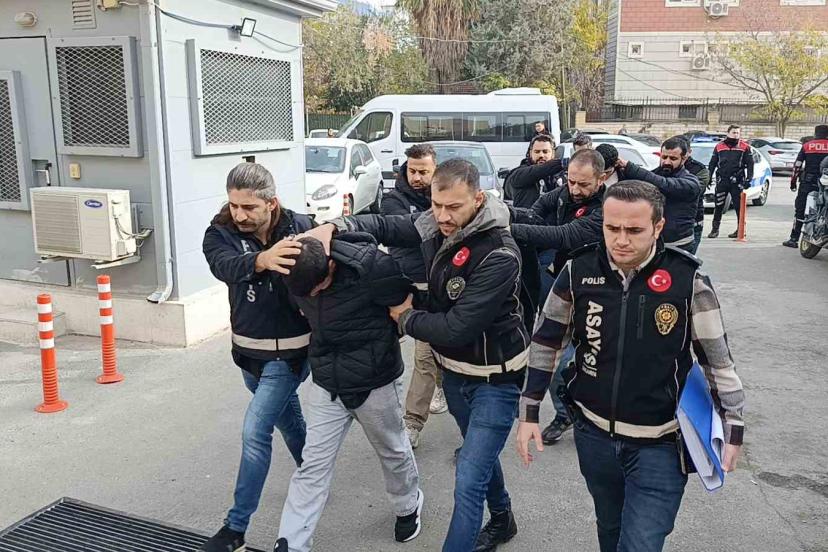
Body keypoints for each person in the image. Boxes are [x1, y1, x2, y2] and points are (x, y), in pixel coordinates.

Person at [305, 159, 529, 552]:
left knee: (468, 478)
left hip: (496, 380)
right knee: (478, 457)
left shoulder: (499, 254)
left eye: (453, 207)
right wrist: (334, 226)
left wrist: (406, 316)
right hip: (455, 374)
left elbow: (456, 327)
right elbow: (386, 225)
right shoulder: (436, 222)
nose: (442, 216)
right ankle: (502, 517)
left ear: (478, 199)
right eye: (437, 205)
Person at [517, 180, 746, 552]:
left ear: (658, 226)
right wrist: (529, 410)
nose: (621, 240)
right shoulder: (578, 271)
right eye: (612, 228)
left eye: (634, 230)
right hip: (593, 436)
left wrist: (733, 423)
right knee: (609, 527)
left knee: (640, 542)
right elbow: (546, 343)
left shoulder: (687, 280)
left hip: (661, 443)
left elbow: (717, 360)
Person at [275, 235, 422, 552]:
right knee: (312, 465)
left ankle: (408, 505)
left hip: (375, 382)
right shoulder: (292, 271)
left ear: (330, 265)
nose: (312, 295)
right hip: (327, 382)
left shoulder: (372, 268)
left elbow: (407, 305)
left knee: (393, 451)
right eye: (305, 293)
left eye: (318, 288)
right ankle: (291, 543)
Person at [200, 163, 313, 552]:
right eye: (234, 205)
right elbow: (224, 267)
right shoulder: (220, 232)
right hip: (248, 355)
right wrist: (262, 261)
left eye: (249, 207)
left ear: (271, 203)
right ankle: (313, 476)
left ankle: (235, 528)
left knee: (255, 431)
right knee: (290, 422)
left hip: (290, 357)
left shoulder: (300, 226)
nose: (240, 215)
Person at [511, 149, 607, 445]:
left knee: (591, 361)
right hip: (562, 286)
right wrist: (506, 214)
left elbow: (566, 235)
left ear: (601, 179)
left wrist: (507, 228)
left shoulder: (607, 207)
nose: (575, 189)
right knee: (554, 358)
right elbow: (535, 213)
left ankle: (596, 415)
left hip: (597, 291)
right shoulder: (563, 193)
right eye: (571, 181)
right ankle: (566, 414)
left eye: (583, 184)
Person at [382, 143, 446, 449]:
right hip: (404, 287)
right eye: (412, 171)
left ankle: (413, 420)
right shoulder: (393, 200)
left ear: (436, 170)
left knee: (427, 355)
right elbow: (408, 231)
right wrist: (448, 212)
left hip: (438, 288)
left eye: (424, 171)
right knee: (415, 353)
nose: (417, 177)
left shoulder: (443, 196)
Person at [616, 136, 701, 252]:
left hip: (680, 244)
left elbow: (664, 184)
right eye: (664, 157)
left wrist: (630, 167)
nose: (667, 162)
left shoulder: (691, 182)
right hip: (655, 242)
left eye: (673, 158)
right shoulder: (654, 175)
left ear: (684, 158)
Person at [783, 124, 828, 248]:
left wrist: (793, 182)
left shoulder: (807, 146)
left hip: (808, 183)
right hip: (825, 184)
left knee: (800, 210)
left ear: (815, 133)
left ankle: (794, 238)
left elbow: (797, 165)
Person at [707, 125, 754, 239]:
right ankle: (715, 230)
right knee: (719, 205)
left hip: (737, 181)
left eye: (738, 133)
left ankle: (741, 230)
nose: (736, 135)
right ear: (728, 133)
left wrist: (749, 179)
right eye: (733, 132)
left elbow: (750, 164)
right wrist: (708, 178)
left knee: (739, 207)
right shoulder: (719, 146)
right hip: (722, 180)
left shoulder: (745, 147)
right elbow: (712, 163)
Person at [505, 134, 564, 209]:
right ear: (530, 153)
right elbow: (538, 171)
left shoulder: (559, 176)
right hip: (527, 216)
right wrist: (561, 163)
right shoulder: (520, 174)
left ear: (553, 153)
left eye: (545, 152)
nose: (541, 155)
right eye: (537, 152)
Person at [681, 138, 711, 254]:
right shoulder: (664, 169)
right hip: (668, 224)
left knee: (687, 260)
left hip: (692, 222)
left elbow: (691, 192)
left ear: (689, 152)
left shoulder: (700, 170)